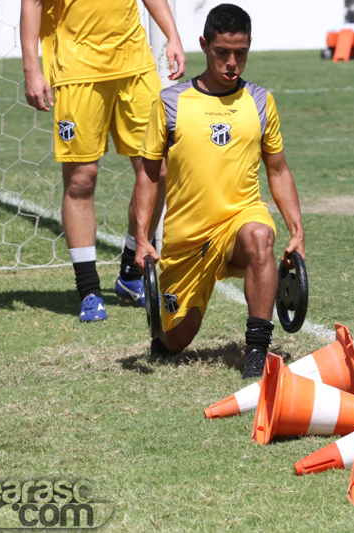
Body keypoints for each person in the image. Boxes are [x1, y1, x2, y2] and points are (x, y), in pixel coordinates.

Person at [132, 3, 306, 378]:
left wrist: (296, 230)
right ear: (204, 45)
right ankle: (165, 328)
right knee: (173, 343)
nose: (232, 63)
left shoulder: (260, 102)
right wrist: (142, 239)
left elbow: (278, 169)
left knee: (260, 237)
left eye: (240, 54)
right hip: (187, 238)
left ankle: (256, 351)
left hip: (239, 220)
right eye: (222, 53)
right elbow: (148, 176)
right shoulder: (170, 102)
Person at [20, 0, 186, 322]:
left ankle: (130, 273)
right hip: (76, 71)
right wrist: (31, 67)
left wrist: (172, 35)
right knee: (82, 179)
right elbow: (32, 3)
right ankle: (89, 291)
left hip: (135, 67)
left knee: (160, 171)